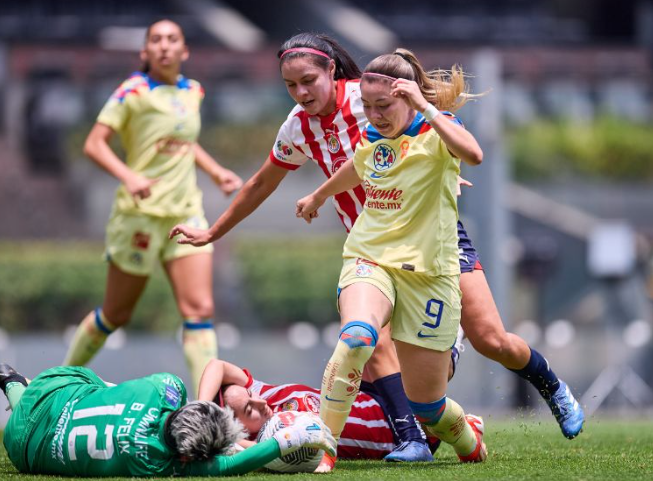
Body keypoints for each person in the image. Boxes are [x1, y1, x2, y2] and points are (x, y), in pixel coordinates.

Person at [169, 32, 584, 446]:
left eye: (308, 80)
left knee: (492, 340)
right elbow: (261, 183)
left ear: (331, 69)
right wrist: (212, 231)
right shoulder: (298, 127)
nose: (300, 92)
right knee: (366, 338)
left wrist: (444, 169)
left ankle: (552, 388)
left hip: (434, 243)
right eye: (290, 86)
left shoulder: (368, 97)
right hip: (373, 253)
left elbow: (431, 133)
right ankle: (410, 439)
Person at [294, 48, 492, 472]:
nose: (374, 115)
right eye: (366, 106)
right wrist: (319, 194)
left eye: (383, 106)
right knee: (358, 338)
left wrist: (427, 109)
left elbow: (474, 154)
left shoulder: (438, 130)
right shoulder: (373, 136)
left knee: (428, 405)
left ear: (409, 98)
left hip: (429, 276)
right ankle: (323, 448)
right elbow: (358, 166)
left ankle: (467, 436)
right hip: (370, 258)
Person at [62, 19, 243, 391]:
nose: (164, 46)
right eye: (156, 40)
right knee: (116, 314)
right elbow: (94, 144)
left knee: (200, 311)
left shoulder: (193, 90)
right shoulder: (132, 91)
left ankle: (206, 406)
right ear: (145, 52)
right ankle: (53, 383)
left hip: (185, 211)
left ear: (184, 50)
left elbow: (183, 141)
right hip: (139, 217)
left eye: (171, 39)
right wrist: (129, 177)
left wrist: (216, 171)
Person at [0, 363, 335, 477]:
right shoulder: (158, 463)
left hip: (52, 390)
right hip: (20, 449)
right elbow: (231, 466)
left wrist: (287, 439)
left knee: (101, 387)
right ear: (187, 457)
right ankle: (13, 387)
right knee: (101, 390)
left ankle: (15, 386)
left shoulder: (164, 387)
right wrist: (286, 441)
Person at [196, 359, 484, 460]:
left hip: (376, 395)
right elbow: (243, 451)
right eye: (250, 409)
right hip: (397, 432)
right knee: (432, 396)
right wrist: (226, 439)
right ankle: (465, 432)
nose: (260, 402)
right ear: (242, 430)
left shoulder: (262, 394)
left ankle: (450, 339)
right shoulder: (273, 443)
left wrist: (204, 410)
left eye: (250, 395)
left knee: (370, 333)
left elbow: (217, 366)